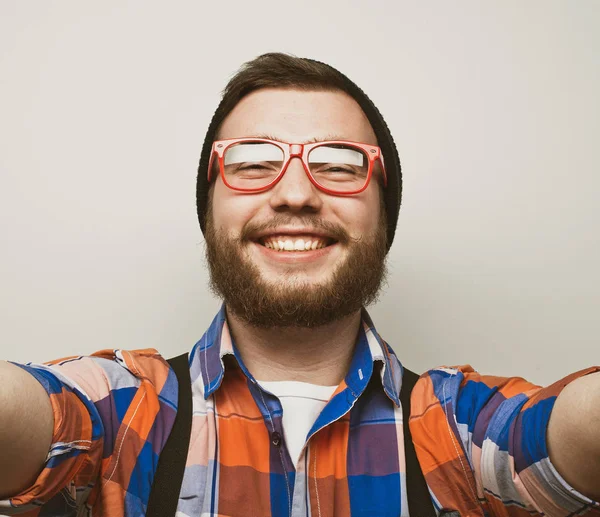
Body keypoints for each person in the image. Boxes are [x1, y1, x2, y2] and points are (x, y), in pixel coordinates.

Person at [0, 53, 598, 517]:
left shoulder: (460, 429)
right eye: (253, 163)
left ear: (383, 216)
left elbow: (563, 434)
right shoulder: (125, 412)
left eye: (339, 165)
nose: (294, 194)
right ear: (210, 213)